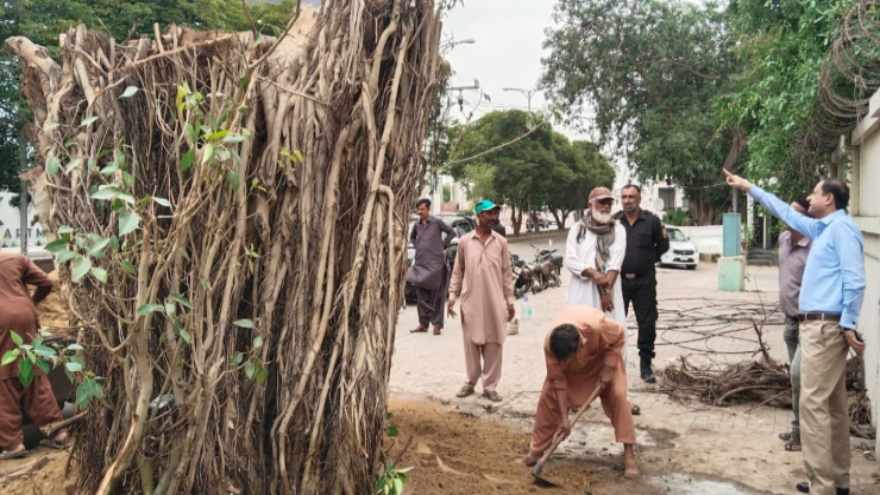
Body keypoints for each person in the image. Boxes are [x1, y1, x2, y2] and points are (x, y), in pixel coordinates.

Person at [724, 171, 864, 495]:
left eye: (815, 193)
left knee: (813, 405)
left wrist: (848, 323)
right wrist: (749, 187)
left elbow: (855, 280)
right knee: (833, 406)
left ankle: (822, 486)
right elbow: (786, 212)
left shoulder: (841, 230)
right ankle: (837, 481)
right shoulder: (824, 228)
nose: (809, 199)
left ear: (829, 199)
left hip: (825, 328)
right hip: (822, 326)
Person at [524, 305, 638, 478]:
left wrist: (608, 368)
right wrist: (564, 419)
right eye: (561, 361)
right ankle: (537, 451)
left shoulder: (597, 326)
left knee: (618, 396)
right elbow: (558, 381)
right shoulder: (551, 345)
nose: (562, 363)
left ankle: (629, 453)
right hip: (572, 371)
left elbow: (620, 335)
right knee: (548, 397)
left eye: (566, 360)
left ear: (579, 346)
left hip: (602, 360)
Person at [0, 253, 68, 460]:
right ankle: (58, 432)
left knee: (4, 381)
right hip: (26, 315)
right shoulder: (14, 257)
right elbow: (46, 282)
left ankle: (12, 445)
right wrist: (29, 301)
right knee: (33, 374)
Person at [448, 199, 515, 402]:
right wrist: (452, 295)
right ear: (479, 216)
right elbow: (457, 271)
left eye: (495, 213)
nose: (494, 217)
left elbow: (507, 274)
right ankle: (470, 381)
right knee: (471, 344)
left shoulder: (501, 242)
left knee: (494, 343)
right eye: (489, 213)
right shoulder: (465, 242)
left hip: (495, 301)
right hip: (471, 301)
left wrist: (510, 300)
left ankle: (490, 386)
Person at [616, 184, 669, 383]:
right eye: (624, 197)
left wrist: (647, 260)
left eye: (631, 196)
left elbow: (663, 245)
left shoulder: (652, 221)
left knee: (647, 324)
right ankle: (613, 366)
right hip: (618, 282)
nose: (627, 200)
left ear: (639, 198)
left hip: (644, 282)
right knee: (614, 323)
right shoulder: (614, 222)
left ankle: (646, 365)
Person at [777, 198, 811, 453]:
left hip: (809, 324)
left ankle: (802, 434)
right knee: (794, 379)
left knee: (800, 377)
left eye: (795, 212)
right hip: (790, 322)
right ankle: (797, 426)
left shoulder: (815, 247)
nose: (788, 216)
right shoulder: (783, 240)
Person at [564, 187, 626, 323]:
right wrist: (594, 274)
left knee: (609, 333)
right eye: (602, 202)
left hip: (609, 290)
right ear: (589, 205)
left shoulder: (618, 229)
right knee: (581, 333)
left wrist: (606, 293)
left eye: (609, 203)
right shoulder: (577, 229)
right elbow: (570, 260)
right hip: (582, 290)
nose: (606, 207)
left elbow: (615, 263)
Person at [407, 198, 457, 335]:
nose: (419, 212)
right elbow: (412, 238)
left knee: (437, 295)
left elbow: (452, 232)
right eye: (418, 209)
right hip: (420, 264)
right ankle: (423, 324)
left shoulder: (436, 222)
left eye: (422, 209)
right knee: (420, 294)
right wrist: (416, 245)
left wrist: (443, 246)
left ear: (428, 209)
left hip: (435, 265)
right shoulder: (417, 225)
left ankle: (437, 325)